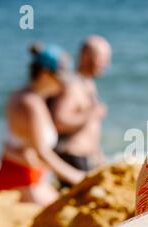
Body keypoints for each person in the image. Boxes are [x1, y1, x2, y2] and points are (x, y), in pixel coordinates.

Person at [0, 43, 86, 206]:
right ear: (45, 74)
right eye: (61, 80)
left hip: (24, 176)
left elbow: (14, 143)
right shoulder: (31, 103)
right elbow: (43, 152)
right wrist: (78, 177)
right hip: (23, 180)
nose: (63, 86)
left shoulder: (20, 94)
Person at [48, 35, 111, 188]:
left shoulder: (87, 83)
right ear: (86, 57)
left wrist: (99, 156)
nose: (106, 64)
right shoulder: (72, 86)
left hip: (86, 158)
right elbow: (59, 121)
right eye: (102, 58)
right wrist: (91, 114)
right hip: (73, 158)